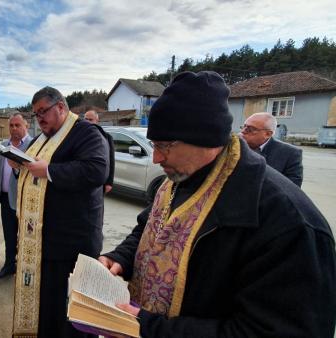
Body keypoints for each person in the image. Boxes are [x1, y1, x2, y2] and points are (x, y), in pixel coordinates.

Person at [98, 71, 336, 337]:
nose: (155, 158)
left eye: (165, 145)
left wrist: (151, 329)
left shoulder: (288, 221)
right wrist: (120, 259)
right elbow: (147, 230)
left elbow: (275, 331)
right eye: (154, 144)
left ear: (207, 140)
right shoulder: (178, 179)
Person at [11, 87, 109, 337]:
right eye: (35, 114)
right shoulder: (41, 138)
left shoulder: (87, 133)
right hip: (44, 242)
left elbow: (96, 170)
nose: (39, 119)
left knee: (71, 317)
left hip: (73, 244)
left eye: (43, 111)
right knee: (49, 310)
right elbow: (33, 170)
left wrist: (51, 170)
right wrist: (18, 165)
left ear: (62, 107)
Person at [0, 113, 32, 279]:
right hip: (6, 198)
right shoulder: (4, 145)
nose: (14, 128)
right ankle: (8, 266)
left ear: (26, 126)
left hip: (25, 200)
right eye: (11, 125)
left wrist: (17, 169)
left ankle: (25, 269)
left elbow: (34, 176)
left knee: (27, 237)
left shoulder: (33, 144)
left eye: (17, 125)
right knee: (9, 235)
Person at [239, 112, 303, 186]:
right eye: (243, 127)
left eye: (250, 129)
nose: (243, 131)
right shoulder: (235, 145)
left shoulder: (290, 153)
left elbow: (292, 187)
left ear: (268, 134)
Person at [84, 110, 115, 194]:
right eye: (85, 119)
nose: (87, 122)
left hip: (98, 181)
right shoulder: (79, 136)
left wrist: (109, 182)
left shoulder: (106, 137)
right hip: (82, 179)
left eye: (90, 120)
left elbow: (111, 160)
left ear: (97, 121)